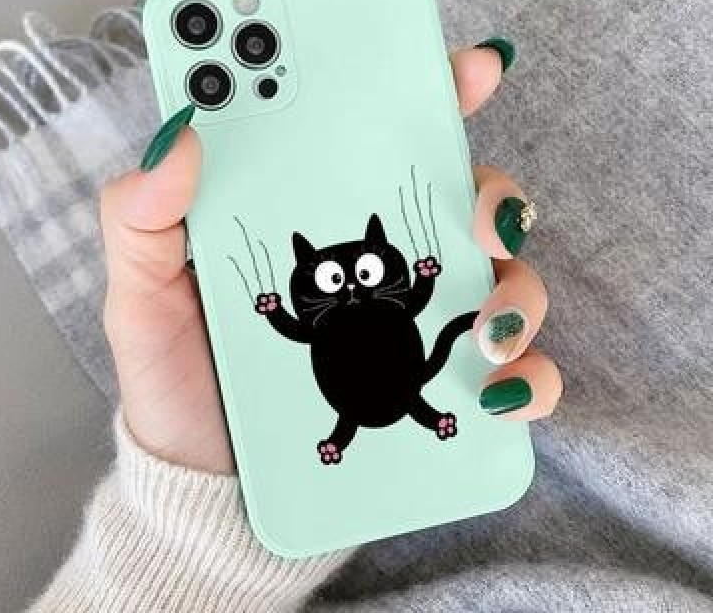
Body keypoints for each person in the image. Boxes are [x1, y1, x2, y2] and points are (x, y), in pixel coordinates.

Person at [30, 44, 562, 611]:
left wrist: (189, 539)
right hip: (357, 408)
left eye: (361, 273)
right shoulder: (327, 319)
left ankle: (420, 418)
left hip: (402, 391)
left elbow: (406, 303)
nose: (352, 287)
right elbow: (300, 329)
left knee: (428, 362)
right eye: (336, 278)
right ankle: (386, 426)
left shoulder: (382, 302)